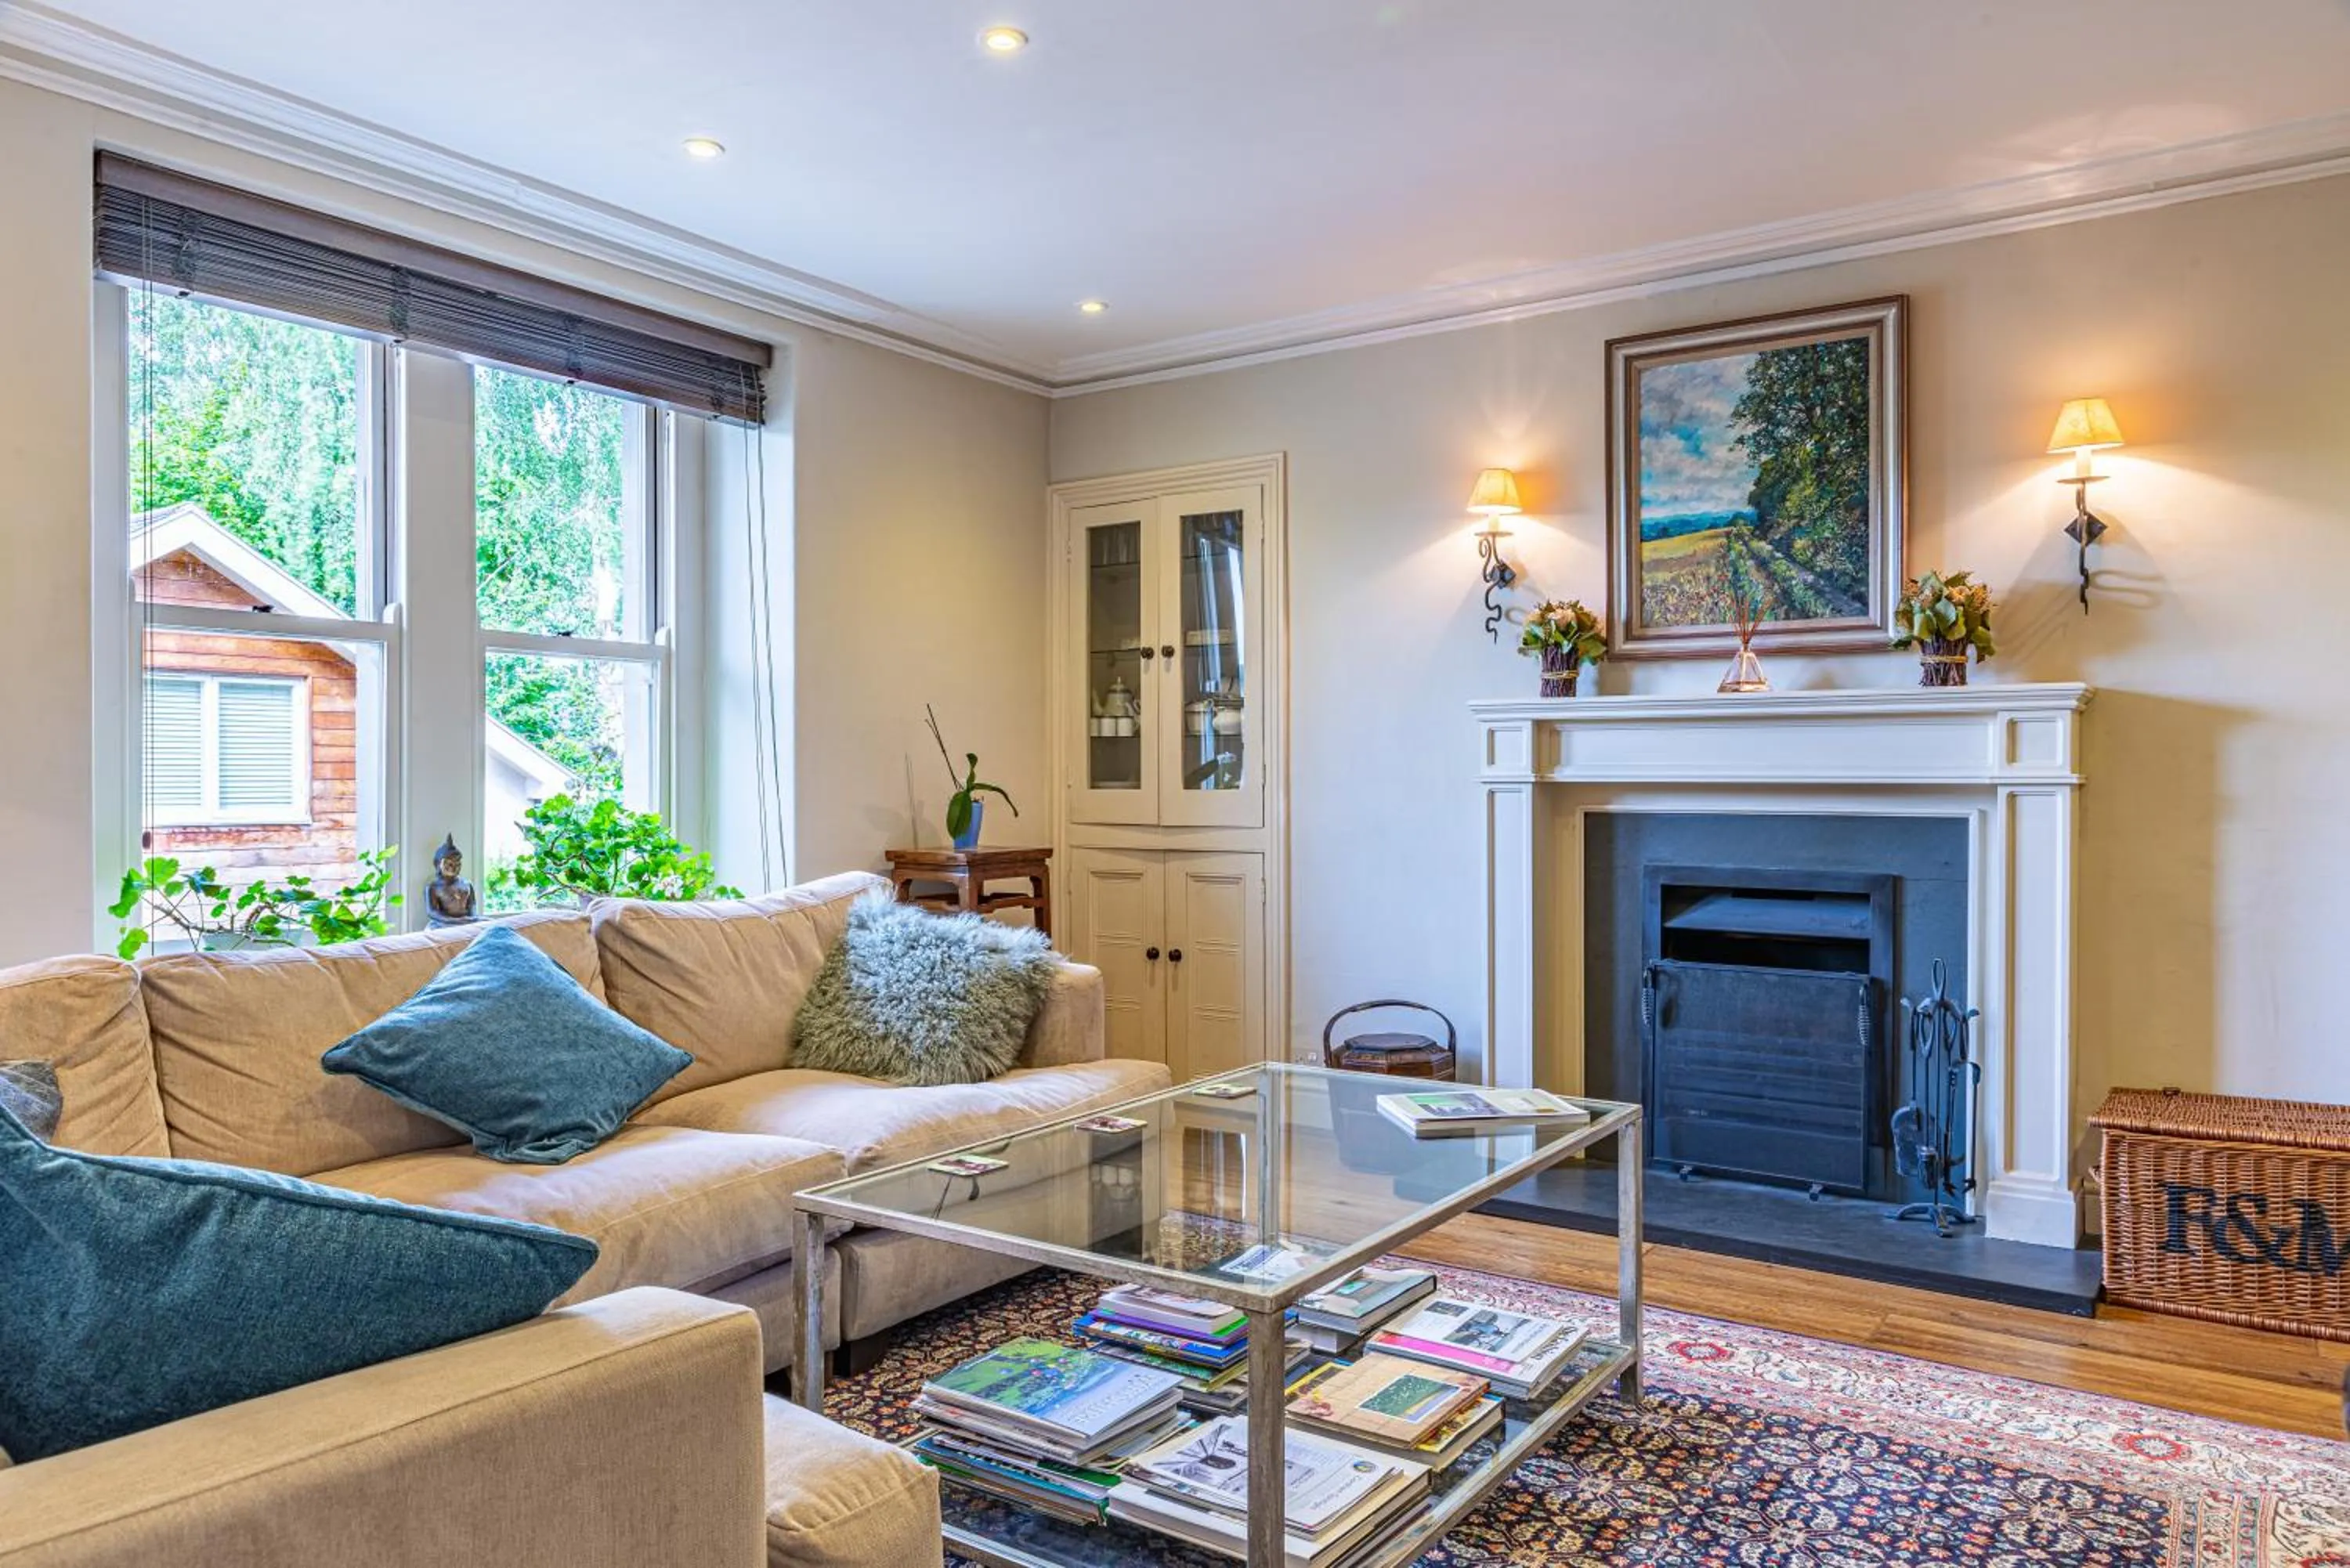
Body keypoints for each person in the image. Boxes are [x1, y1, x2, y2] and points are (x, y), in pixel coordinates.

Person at [425, 835, 478, 927]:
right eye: (449, 864)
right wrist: (454, 921)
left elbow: (472, 906)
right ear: (438, 864)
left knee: (491, 924)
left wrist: (471, 919)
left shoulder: (467, 884)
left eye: (458, 863)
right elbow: (432, 913)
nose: (453, 867)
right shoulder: (433, 887)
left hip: (467, 922)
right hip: (444, 924)